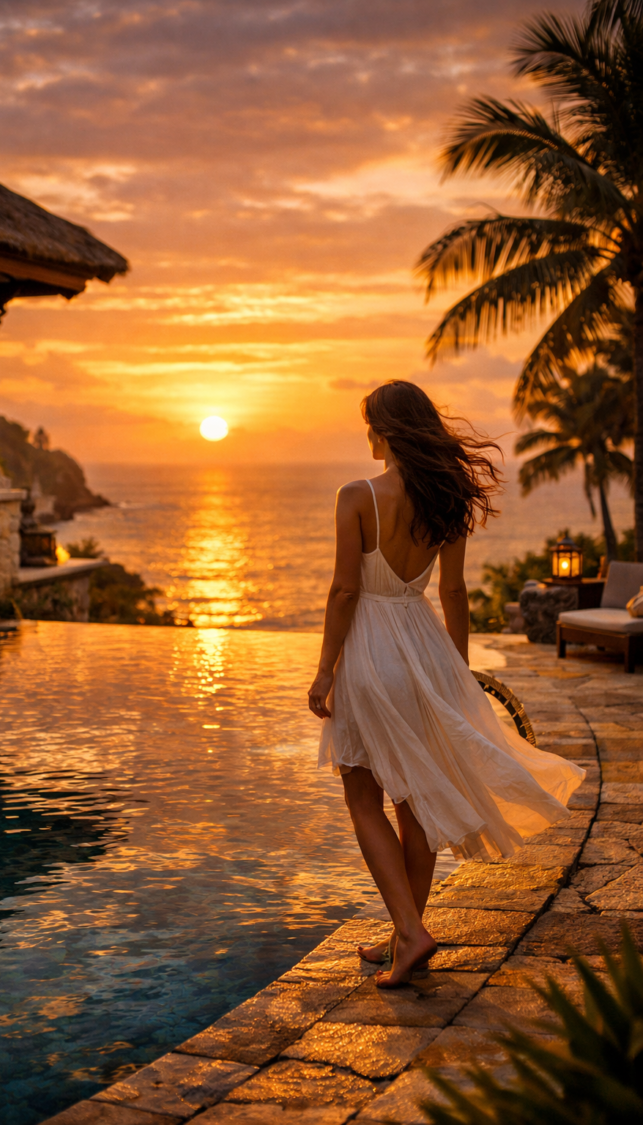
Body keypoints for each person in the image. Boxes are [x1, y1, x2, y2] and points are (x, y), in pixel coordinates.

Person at [307, 381, 585, 988]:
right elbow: (453, 592)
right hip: (424, 647)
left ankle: (410, 932)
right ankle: (405, 929)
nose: (368, 435)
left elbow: (345, 591)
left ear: (388, 430)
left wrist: (326, 668)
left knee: (363, 797)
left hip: (372, 650)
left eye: (371, 424)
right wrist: (452, 676)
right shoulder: (446, 499)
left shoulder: (356, 496)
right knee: (417, 801)